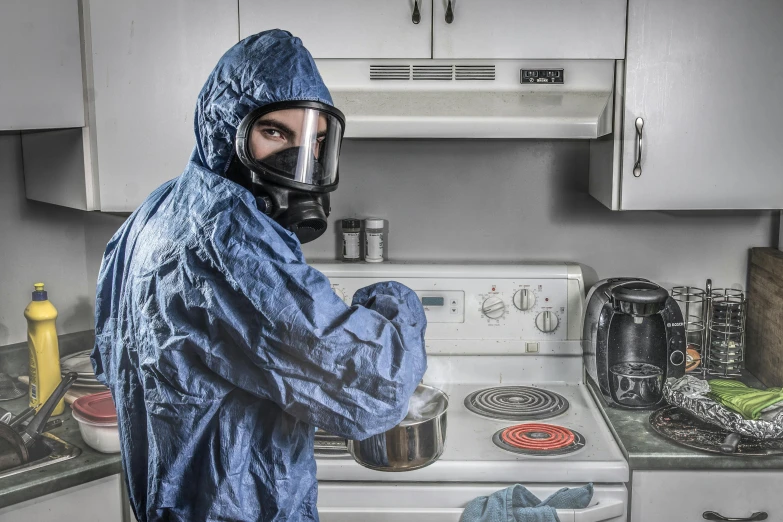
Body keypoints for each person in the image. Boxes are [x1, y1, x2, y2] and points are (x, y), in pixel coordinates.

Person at [91, 30, 428, 522]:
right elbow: (377, 388)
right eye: (274, 133)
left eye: (314, 141)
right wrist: (394, 301)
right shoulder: (233, 241)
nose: (299, 162)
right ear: (225, 129)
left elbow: (108, 356)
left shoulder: (158, 207)